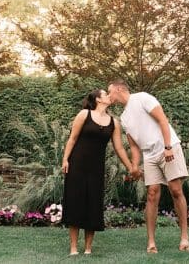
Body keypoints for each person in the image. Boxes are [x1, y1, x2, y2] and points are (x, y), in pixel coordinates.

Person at [107, 79, 189, 253]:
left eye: (110, 92)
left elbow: (162, 120)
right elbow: (135, 146)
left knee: (176, 190)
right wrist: (134, 166)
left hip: (168, 148)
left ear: (119, 89)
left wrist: (168, 147)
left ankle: (184, 237)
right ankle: (151, 242)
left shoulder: (142, 98)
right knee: (152, 194)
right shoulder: (123, 117)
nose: (109, 96)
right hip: (149, 154)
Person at [61, 88, 133, 256]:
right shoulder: (83, 115)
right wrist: (65, 159)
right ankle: (73, 247)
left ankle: (87, 248)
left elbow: (119, 148)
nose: (109, 96)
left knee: (93, 204)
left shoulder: (114, 122)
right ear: (98, 99)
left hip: (96, 168)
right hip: (77, 165)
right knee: (75, 203)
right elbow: (72, 138)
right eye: (105, 94)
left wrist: (131, 167)